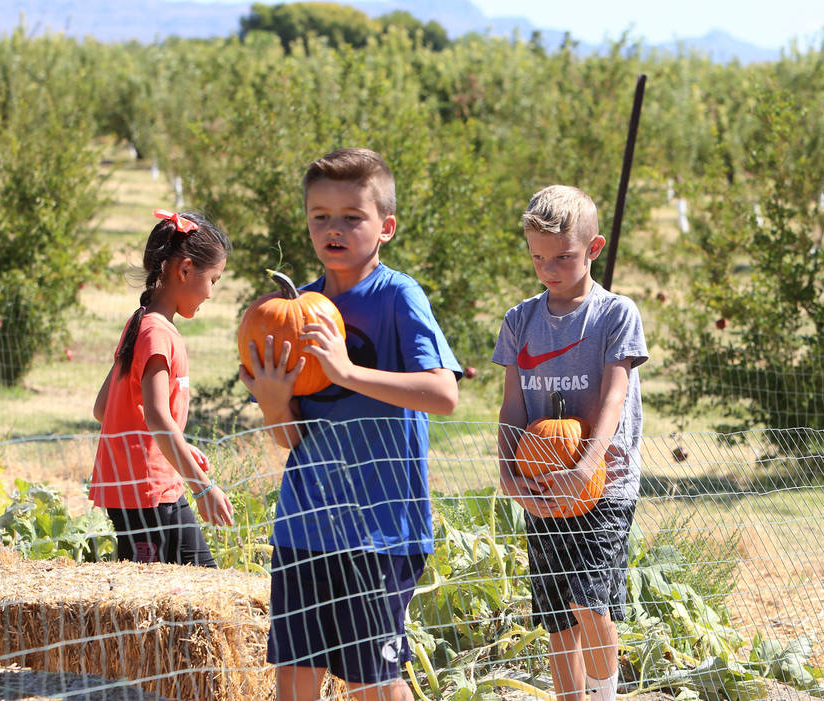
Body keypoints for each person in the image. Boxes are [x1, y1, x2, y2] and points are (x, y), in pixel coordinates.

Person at [239, 148, 461, 700]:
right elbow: (291, 439)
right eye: (320, 216)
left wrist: (347, 371)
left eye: (351, 217)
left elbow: (444, 395)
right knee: (295, 681)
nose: (333, 229)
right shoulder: (296, 309)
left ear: (386, 227)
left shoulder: (397, 296)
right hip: (303, 526)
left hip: (380, 532)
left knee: (372, 684)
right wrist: (273, 404)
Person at [492, 186, 648, 701]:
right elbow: (512, 407)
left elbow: (614, 396)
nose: (548, 269)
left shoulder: (615, 314)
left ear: (594, 248)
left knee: (590, 604)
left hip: (603, 486)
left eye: (562, 256)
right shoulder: (519, 320)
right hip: (541, 484)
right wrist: (508, 473)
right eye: (537, 257)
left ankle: (605, 696)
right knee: (557, 616)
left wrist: (585, 467)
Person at [91, 209, 234, 566]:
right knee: (167, 591)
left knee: (200, 580)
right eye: (213, 280)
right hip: (148, 494)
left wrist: (174, 446)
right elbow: (156, 416)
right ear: (185, 270)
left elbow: (103, 408)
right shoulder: (156, 333)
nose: (211, 293)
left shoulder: (141, 324)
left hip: (151, 488)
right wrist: (203, 487)